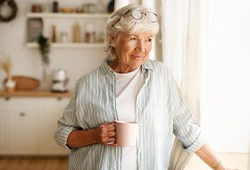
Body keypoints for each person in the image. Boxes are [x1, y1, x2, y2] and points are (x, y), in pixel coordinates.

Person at [54, 4, 229, 170]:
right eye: (133, 38)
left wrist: (218, 167)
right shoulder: (87, 84)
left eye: (148, 39)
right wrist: (94, 135)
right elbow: (62, 133)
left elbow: (187, 128)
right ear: (113, 39)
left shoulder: (161, 76)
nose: (142, 48)